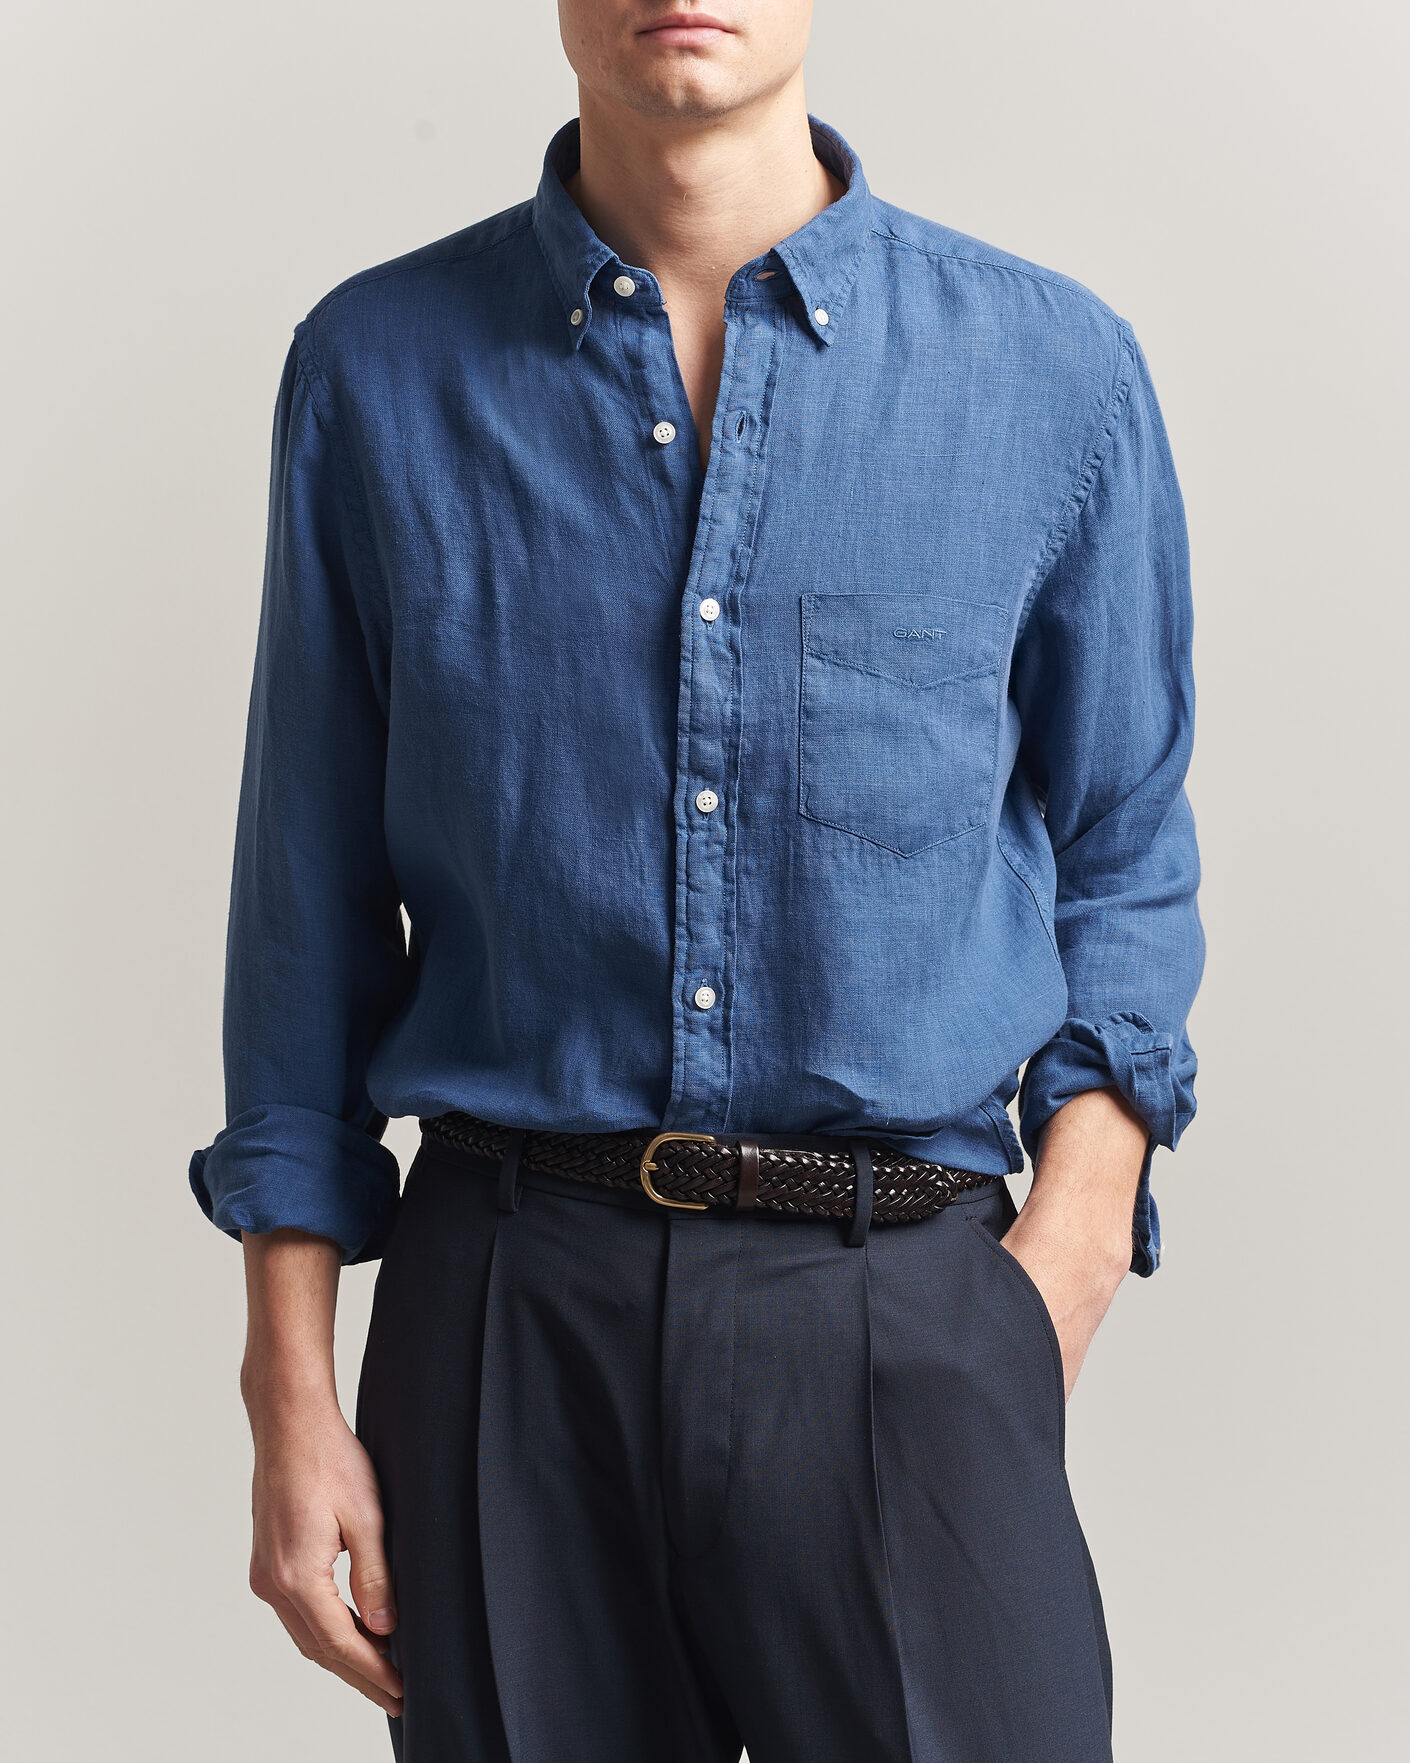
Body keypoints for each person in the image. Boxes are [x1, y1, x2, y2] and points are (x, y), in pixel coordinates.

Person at [189, 3, 1203, 1758]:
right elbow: (306, 893)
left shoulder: (1050, 373)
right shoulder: (375, 371)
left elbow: (1124, 839)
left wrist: (1074, 1244)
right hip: (509, 1317)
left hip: (903, 1299)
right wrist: (287, 1384)